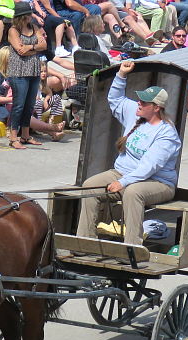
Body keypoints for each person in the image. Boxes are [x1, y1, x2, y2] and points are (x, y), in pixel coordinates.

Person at [77, 59, 179, 246]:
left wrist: (122, 182)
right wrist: (121, 75)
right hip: (123, 173)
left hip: (157, 182)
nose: (139, 103)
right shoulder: (136, 113)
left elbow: (149, 167)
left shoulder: (167, 134)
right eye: (139, 99)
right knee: (89, 185)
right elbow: (115, 100)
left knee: (133, 193)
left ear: (156, 108)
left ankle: (132, 246)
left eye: (144, 102)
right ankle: (85, 241)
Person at [6, 2, 46, 149]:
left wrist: (29, 47)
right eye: (29, 14)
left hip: (34, 70)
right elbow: (19, 49)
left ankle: (25, 135)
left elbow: (44, 45)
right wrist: (35, 48)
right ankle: (13, 137)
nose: (31, 16)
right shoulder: (13, 30)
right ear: (22, 17)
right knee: (19, 105)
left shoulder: (34, 27)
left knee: (29, 105)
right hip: (19, 71)